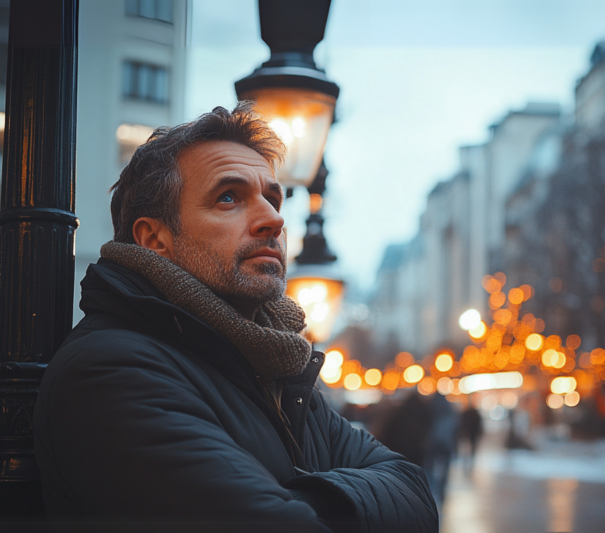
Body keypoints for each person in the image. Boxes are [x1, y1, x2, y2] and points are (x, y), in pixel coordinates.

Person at [33, 103, 438, 531]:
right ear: (154, 239)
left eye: (273, 197)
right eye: (229, 197)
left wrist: (293, 495)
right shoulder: (109, 370)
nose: (274, 219)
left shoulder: (274, 366)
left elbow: (415, 493)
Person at [458, 403, 483, 470]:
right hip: (469, 433)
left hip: (470, 432)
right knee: (468, 447)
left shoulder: (469, 413)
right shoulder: (470, 413)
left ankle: (468, 459)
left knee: (469, 447)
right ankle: (468, 459)